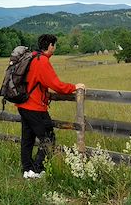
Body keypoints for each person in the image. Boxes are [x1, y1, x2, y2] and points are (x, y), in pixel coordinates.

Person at [16, 34, 85, 179]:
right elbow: (56, 85)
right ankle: (36, 170)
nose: (54, 48)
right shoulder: (42, 62)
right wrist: (74, 87)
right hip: (35, 107)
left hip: (23, 105)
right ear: (50, 46)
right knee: (49, 139)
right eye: (54, 45)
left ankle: (27, 170)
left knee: (27, 139)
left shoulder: (32, 57)